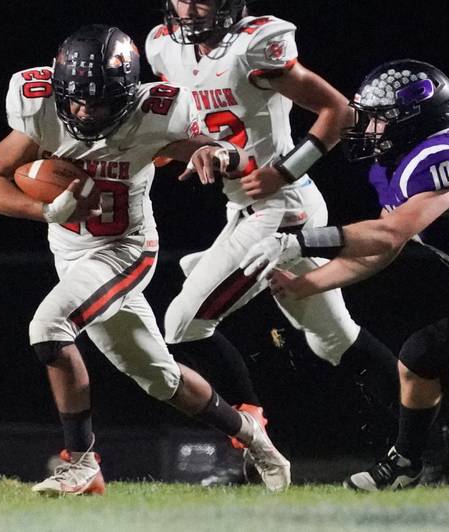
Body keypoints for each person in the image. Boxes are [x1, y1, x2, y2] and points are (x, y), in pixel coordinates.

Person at [0, 24, 290, 494]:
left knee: (48, 328)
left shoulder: (154, 113)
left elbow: (226, 152)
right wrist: (44, 210)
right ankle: (255, 439)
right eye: (75, 99)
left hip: (125, 251)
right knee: (161, 379)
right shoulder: (41, 109)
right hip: (72, 257)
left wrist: (216, 154)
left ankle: (80, 461)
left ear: (124, 94)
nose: (82, 110)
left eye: (97, 101)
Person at [145, 0, 408, 452]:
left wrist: (283, 170)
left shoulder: (253, 46)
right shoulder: (164, 47)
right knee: (334, 339)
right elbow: (195, 125)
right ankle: (430, 440)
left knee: (183, 323)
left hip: (283, 209)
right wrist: (180, 151)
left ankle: (250, 425)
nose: (189, 9)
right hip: (246, 208)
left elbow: (339, 110)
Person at [241, 59, 449, 490]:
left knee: (421, 352)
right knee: (420, 356)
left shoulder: (439, 160)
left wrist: (297, 241)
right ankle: (408, 463)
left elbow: (392, 230)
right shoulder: (394, 167)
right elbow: (382, 248)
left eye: (377, 119)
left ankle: (407, 463)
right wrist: (306, 284)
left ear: (413, 121)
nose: (367, 128)